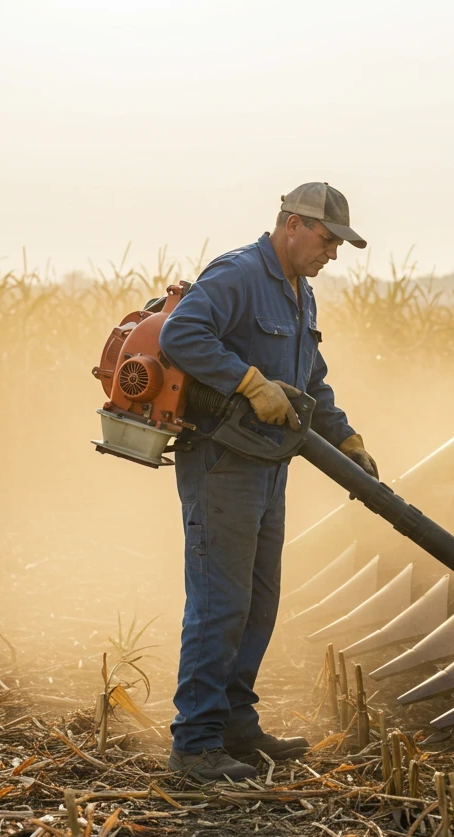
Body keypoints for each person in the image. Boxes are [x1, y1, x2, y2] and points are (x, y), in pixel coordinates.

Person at [158, 183, 379, 783]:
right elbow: (181, 336)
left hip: (267, 467)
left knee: (257, 602)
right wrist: (249, 382)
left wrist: (348, 439)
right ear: (290, 224)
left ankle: (234, 724)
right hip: (222, 463)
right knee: (220, 603)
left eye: (338, 244)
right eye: (327, 239)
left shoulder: (299, 296)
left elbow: (313, 384)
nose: (332, 253)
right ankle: (195, 743)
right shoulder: (238, 274)